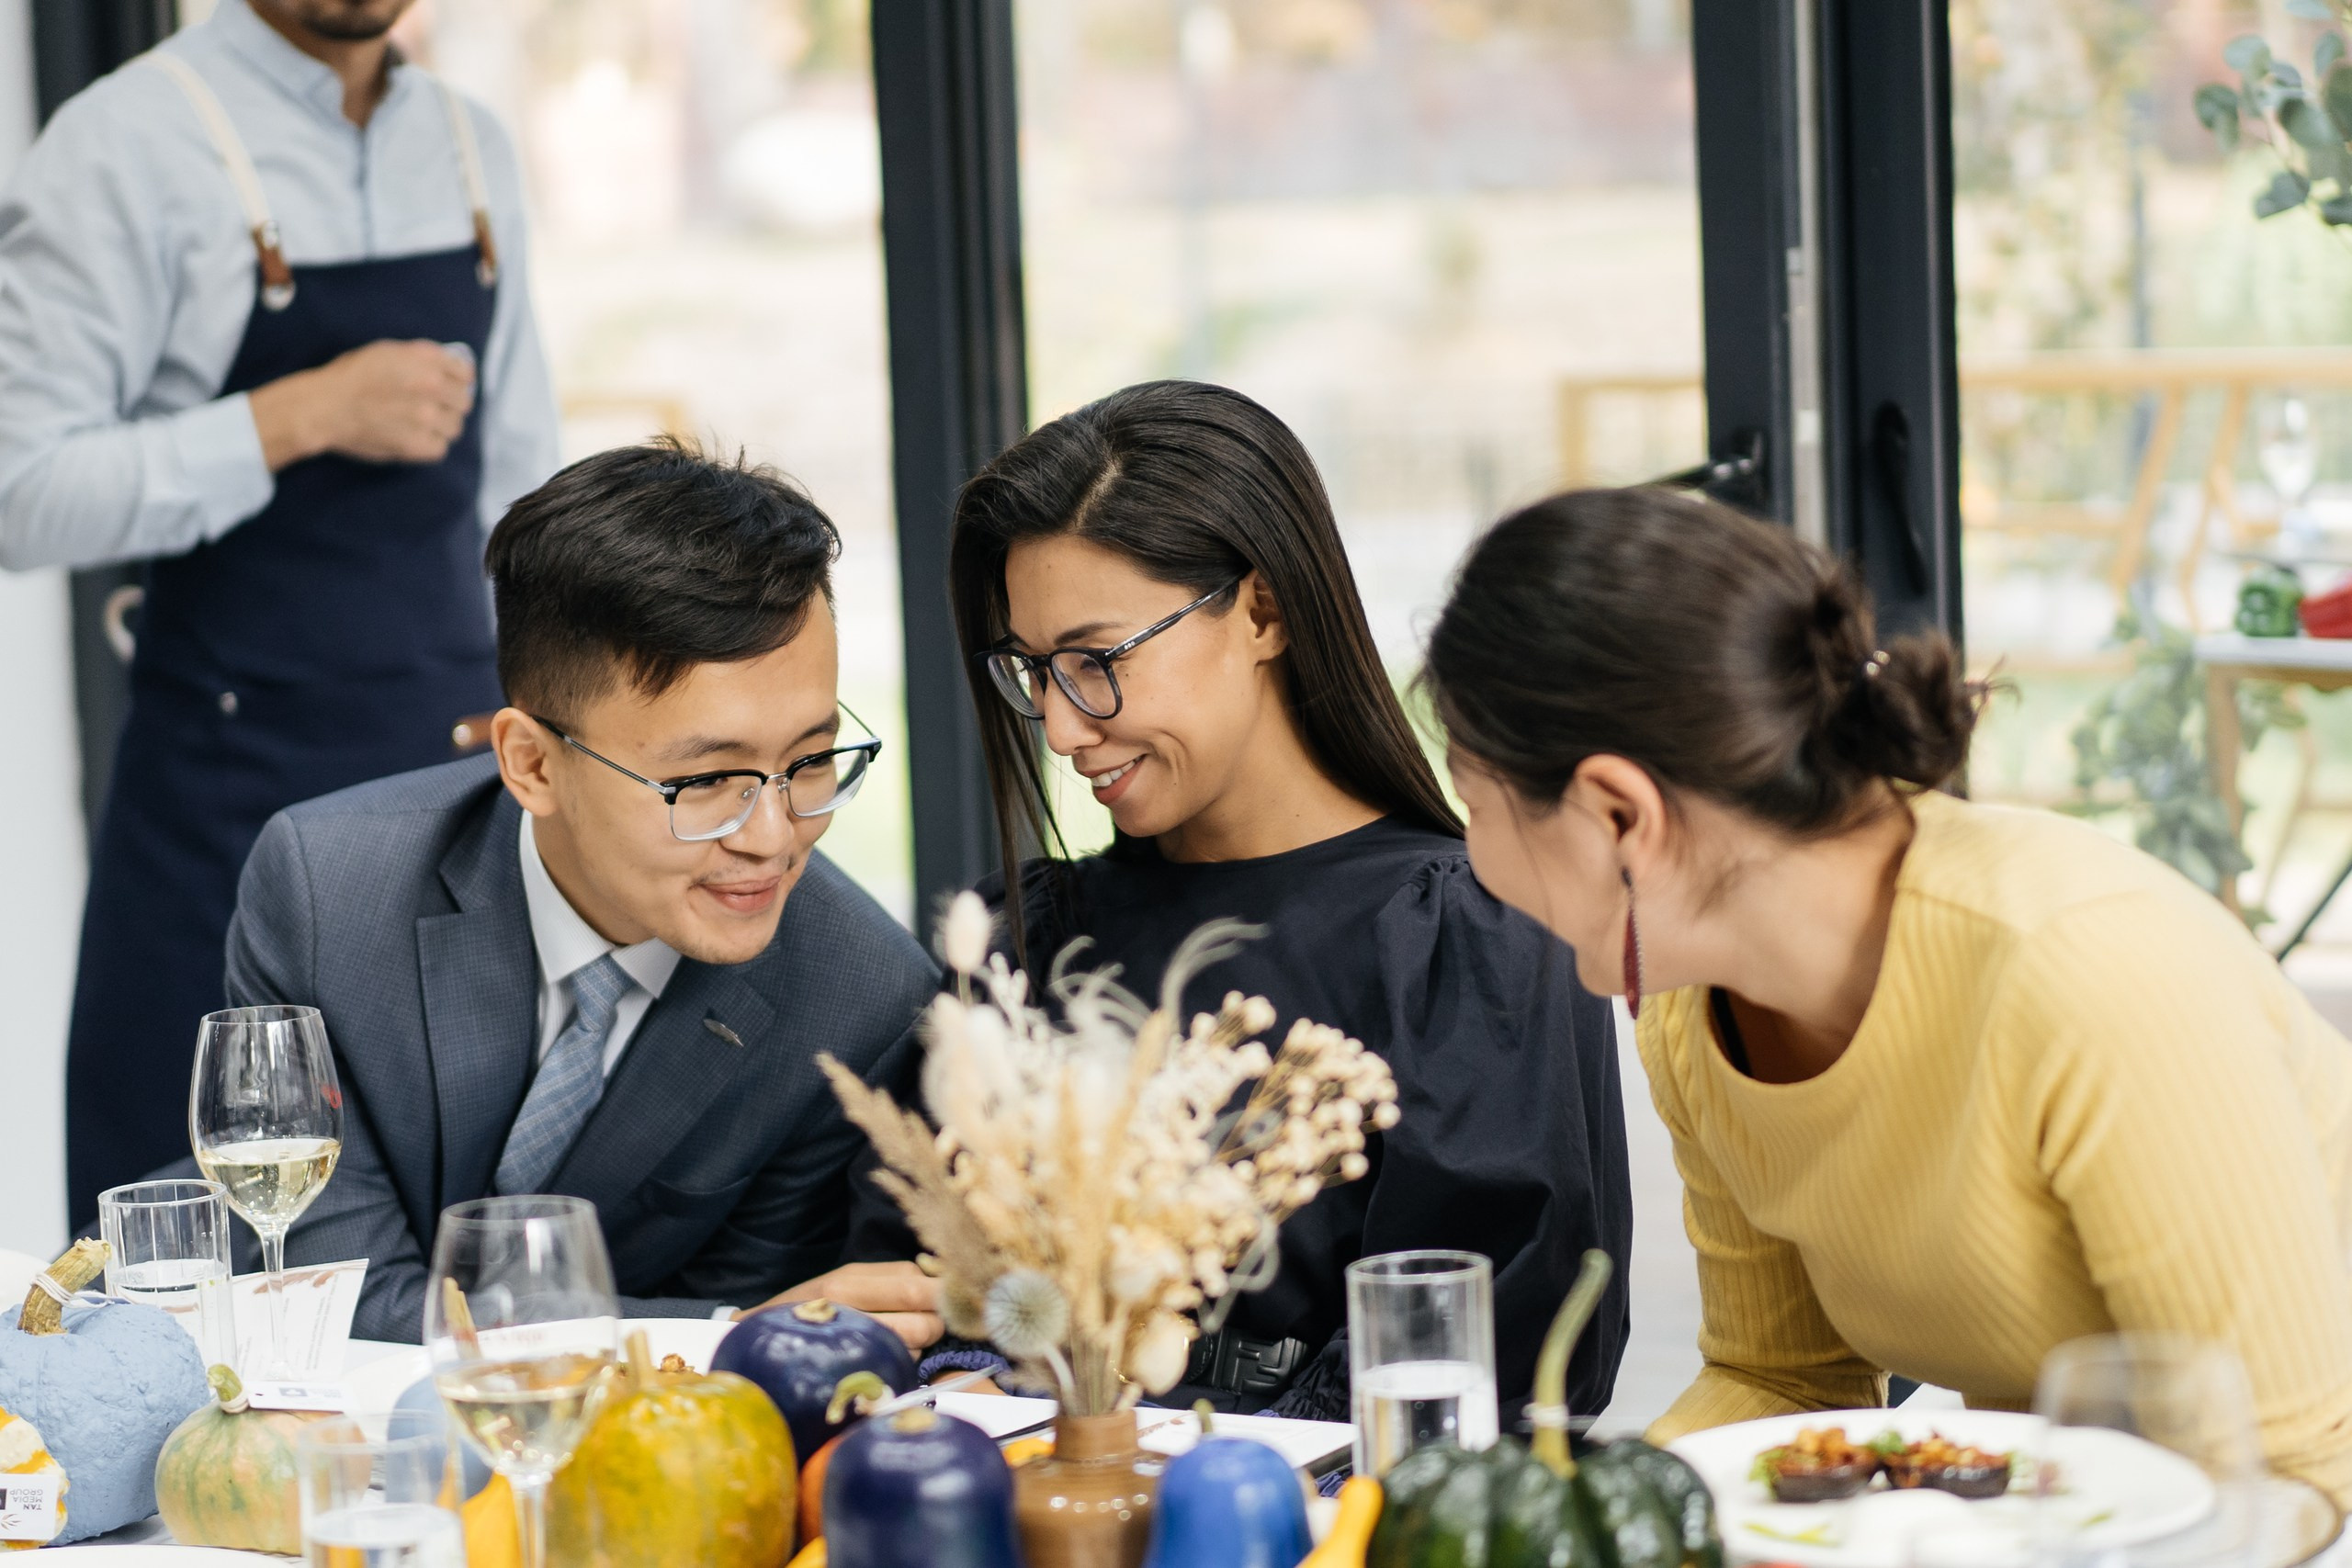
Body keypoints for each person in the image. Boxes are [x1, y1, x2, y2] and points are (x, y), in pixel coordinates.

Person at [1422, 485, 2352, 1499]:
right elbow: (1782, 1382)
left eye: (1475, 800)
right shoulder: (1696, 1017)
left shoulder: (2083, 970)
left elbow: (2292, 1482)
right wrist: (1596, 1518)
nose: (1472, 854)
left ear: (1617, 811)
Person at [922, 379, 1631, 1422]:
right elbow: (914, 1291)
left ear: (1263, 611)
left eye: (1094, 661)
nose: (1060, 730)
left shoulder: (1462, 932)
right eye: (1031, 671)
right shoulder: (1029, 934)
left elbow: (1488, 1357)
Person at [0, 0, 561, 1224]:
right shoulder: (124, 143)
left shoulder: (471, 145)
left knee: (463, 1239)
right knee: (185, 1264)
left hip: (450, 801)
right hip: (220, 806)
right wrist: (288, 418)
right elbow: (17, 492)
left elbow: (522, 480)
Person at [218, 441, 944, 1345]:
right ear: (531, 762)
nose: (774, 835)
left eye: (810, 759)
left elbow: (753, 1347)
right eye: (708, 780)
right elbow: (330, 1303)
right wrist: (712, 1333)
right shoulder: (327, 892)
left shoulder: (858, 998)